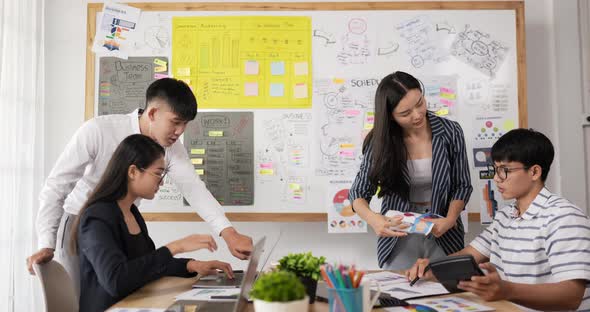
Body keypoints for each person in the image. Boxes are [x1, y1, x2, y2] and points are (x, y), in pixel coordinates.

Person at [27, 78, 252, 292]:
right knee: (83, 297)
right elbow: (57, 186)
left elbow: (194, 189)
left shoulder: (172, 147)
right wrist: (47, 243)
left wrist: (229, 233)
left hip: (124, 223)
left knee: (127, 289)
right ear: (153, 113)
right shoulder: (98, 130)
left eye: (185, 124)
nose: (180, 131)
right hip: (82, 222)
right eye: (175, 122)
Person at [406, 129, 590, 311]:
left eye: (504, 170)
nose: (496, 178)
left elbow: (571, 296)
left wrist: (508, 290)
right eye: (495, 169)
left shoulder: (563, 217)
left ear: (534, 172)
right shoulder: (505, 216)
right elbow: (470, 254)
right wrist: (434, 267)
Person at [71, 134, 233, 312]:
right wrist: (176, 246)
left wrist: (192, 265)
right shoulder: (96, 218)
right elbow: (116, 281)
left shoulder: (132, 212)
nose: (162, 182)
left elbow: (147, 265)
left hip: (138, 303)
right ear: (132, 172)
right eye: (158, 173)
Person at [349, 71, 472, 270]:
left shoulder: (450, 132)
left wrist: (450, 219)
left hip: (444, 231)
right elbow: (358, 193)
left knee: (448, 292)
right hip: (399, 232)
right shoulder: (380, 142)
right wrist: (374, 220)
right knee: (398, 295)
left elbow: (462, 185)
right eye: (405, 113)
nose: (417, 115)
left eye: (420, 103)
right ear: (390, 116)